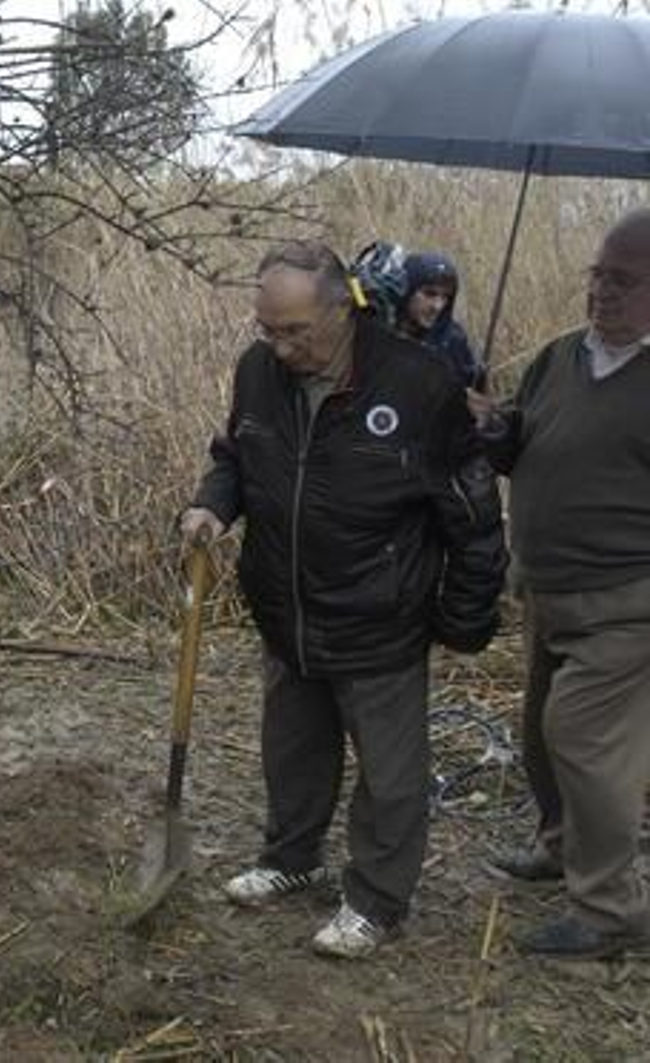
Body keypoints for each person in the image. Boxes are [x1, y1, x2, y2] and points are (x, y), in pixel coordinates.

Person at [180, 240, 507, 959]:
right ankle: (291, 855)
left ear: (343, 308)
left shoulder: (419, 382)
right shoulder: (257, 372)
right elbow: (237, 454)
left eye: (295, 330)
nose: (280, 344)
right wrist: (212, 504)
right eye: (268, 327)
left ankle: (377, 900)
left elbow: (473, 513)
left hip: (380, 615)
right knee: (292, 750)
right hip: (286, 603)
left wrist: (466, 616)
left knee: (391, 776)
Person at [470, 207, 650, 960]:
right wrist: (493, 430)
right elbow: (527, 441)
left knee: (580, 735)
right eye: (596, 275)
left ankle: (610, 911)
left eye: (624, 280)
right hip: (545, 588)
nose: (602, 292)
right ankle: (559, 846)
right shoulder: (557, 357)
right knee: (539, 731)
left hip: (626, 604)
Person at [395, 252, 486, 390]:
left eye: (445, 297)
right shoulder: (382, 326)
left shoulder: (453, 342)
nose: (437, 306)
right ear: (407, 290)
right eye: (429, 294)